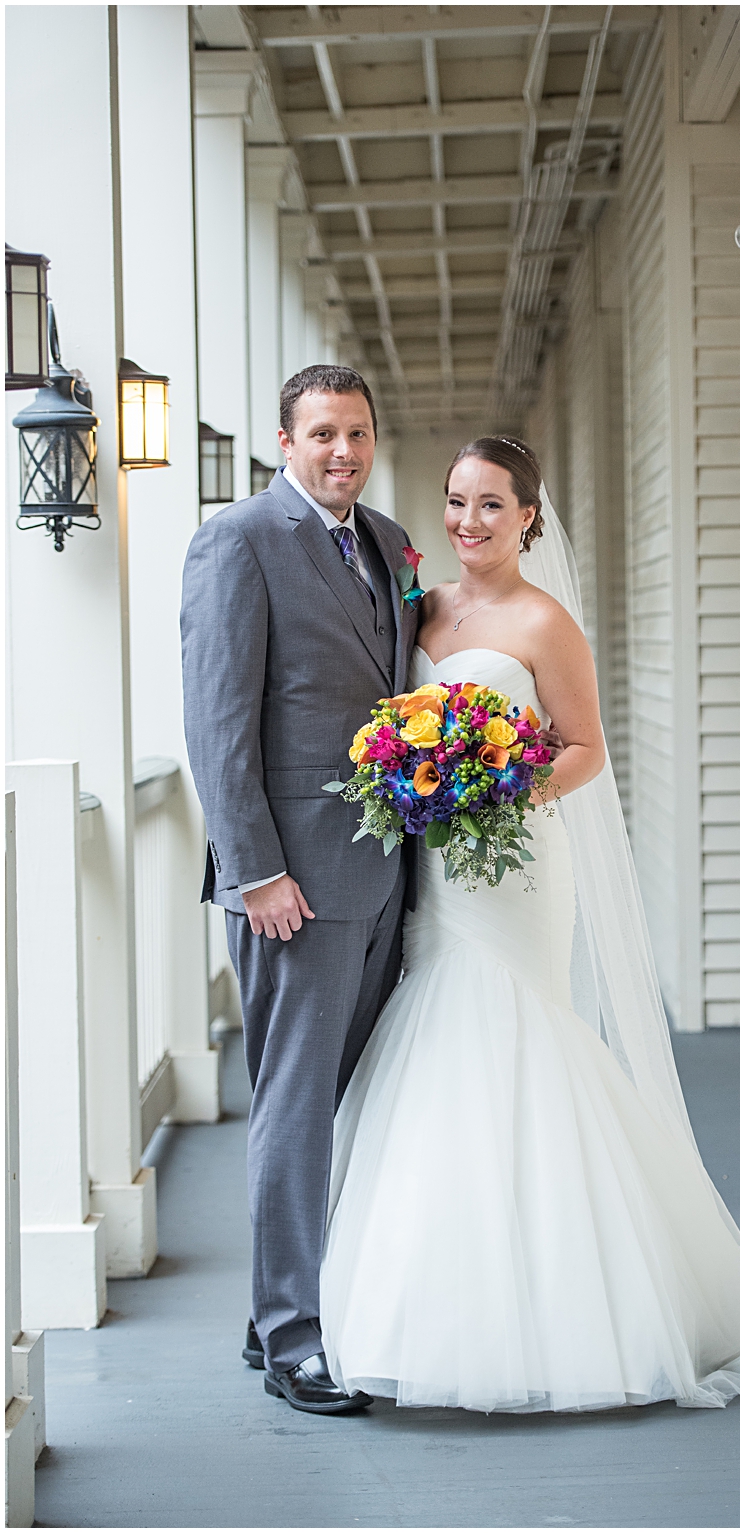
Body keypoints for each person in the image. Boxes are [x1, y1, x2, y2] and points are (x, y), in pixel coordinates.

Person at [315, 437, 740, 1412]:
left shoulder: (545, 623)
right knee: (436, 1029)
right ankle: (437, 1294)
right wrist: (421, 785)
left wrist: (503, 789)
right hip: (434, 865)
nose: (469, 522)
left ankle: (582, 1297)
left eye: (491, 506)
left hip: (513, 864)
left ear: (527, 519)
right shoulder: (417, 613)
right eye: (457, 503)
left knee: (516, 1031)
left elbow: (585, 747)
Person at [181, 364, 419, 1413]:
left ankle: (272, 1306)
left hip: (384, 875)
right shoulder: (237, 543)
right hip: (293, 885)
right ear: (285, 441)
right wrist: (256, 872)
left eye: (357, 434)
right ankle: (292, 1340)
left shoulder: (386, 541)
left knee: (350, 1096)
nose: (342, 452)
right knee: (292, 1107)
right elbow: (218, 723)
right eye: (322, 433)